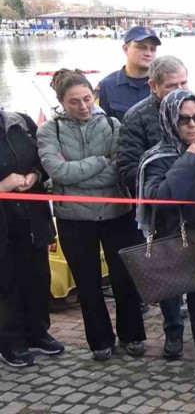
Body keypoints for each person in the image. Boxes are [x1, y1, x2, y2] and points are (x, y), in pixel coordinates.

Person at [37, 69, 147, 362]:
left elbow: (117, 168)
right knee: (87, 283)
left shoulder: (113, 125)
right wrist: (99, 162)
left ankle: (132, 334)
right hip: (73, 219)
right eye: (74, 102)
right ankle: (100, 340)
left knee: (124, 278)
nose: (83, 106)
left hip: (115, 213)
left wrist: (77, 177)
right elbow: (57, 170)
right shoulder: (50, 131)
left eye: (87, 99)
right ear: (61, 101)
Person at [118, 55, 195, 361]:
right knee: (171, 278)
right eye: (172, 85)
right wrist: (178, 165)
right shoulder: (137, 118)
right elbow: (131, 168)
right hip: (168, 219)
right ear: (153, 86)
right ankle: (174, 329)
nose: (191, 123)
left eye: (183, 83)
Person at [138, 89, 195, 391]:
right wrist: (189, 161)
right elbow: (159, 199)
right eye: (184, 119)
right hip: (188, 241)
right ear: (169, 120)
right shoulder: (157, 157)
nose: (192, 125)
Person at [0, 109, 63, 368]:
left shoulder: (21, 122)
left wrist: (36, 175)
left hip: (31, 215)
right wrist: (2, 186)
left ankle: (37, 332)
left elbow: (45, 160)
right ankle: (10, 342)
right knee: (6, 281)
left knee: (37, 275)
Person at [96, 27, 160, 120]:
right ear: (126, 49)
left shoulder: (162, 85)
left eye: (153, 49)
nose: (148, 53)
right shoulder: (107, 87)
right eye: (142, 47)